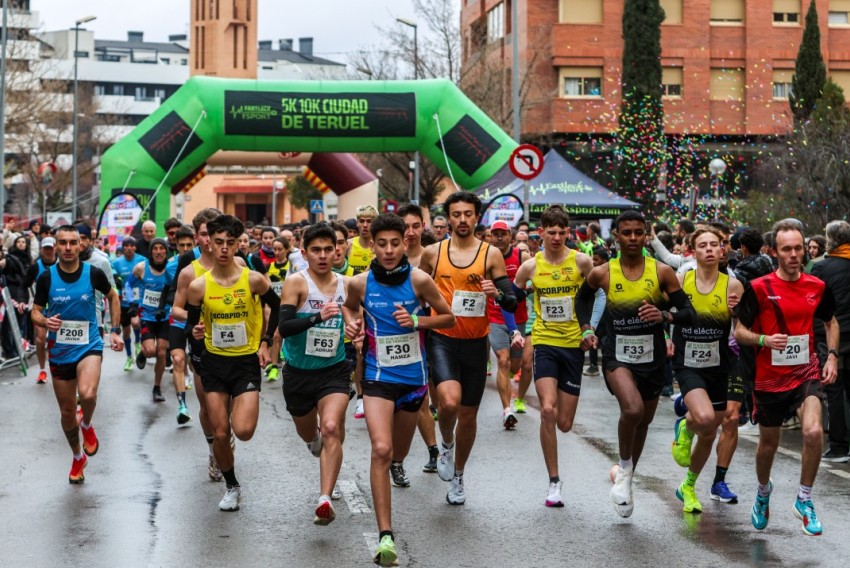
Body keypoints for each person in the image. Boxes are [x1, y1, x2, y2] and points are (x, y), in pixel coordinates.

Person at [342, 214, 455, 567]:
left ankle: (398, 463)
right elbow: (348, 308)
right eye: (382, 243)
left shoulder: (419, 280)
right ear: (371, 245)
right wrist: (353, 325)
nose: (389, 250)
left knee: (397, 453)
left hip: (413, 381)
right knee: (380, 447)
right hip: (376, 377)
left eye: (395, 243)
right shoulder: (360, 284)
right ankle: (385, 535)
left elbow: (448, 317)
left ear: (404, 244)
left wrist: (418, 321)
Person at [576, 210, 695, 518]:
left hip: (652, 358)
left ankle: (625, 475)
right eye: (626, 233)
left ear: (646, 236)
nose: (632, 238)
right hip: (616, 355)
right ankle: (626, 472)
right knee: (632, 410)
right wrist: (587, 328)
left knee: (643, 422)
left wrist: (665, 315)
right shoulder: (603, 272)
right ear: (616, 236)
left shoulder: (662, 272)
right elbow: (582, 299)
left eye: (638, 233)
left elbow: (688, 311)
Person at [734, 219, 838, 536]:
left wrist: (832, 356)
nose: (794, 254)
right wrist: (765, 340)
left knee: (813, 432)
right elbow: (738, 331)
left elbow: (830, 322)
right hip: (768, 379)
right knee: (768, 445)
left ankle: (804, 499)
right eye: (786, 249)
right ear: (775, 252)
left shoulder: (816, 286)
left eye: (798, 248)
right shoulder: (759, 288)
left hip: (805, 371)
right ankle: (764, 492)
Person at [419, 191, 517, 505]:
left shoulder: (490, 255)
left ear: (477, 217)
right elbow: (417, 293)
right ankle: (445, 442)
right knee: (448, 403)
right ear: (448, 218)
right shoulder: (433, 253)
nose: (462, 220)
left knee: (470, 415)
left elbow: (511, 299)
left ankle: (459, 476)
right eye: (456, 214)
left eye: (468, 214)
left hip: (476, 343)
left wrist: (496, 293)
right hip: (443, 339)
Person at [185, 215, 278, 511]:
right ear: (209, 243)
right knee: (221, 432)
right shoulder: (199, 286)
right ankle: (232, 485)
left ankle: (241, 404)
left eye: (230, 243)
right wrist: (196, 332)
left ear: (238, 244)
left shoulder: (252, 278)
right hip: (214, 363)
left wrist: (265, 342)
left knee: (244, 431)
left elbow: (276, 307)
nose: (224, 248)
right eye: (219, 242)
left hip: (245, 363)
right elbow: (191, 325)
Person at [514, 205, 593, 507]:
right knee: (547, 410)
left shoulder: (581, 262)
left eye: (562, 232)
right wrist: (512, 325)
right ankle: (554, 482)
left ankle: (555, 478)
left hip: (573, 346)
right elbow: (514, 297)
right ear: (542, 233)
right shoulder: (530, 266)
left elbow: (600, 293)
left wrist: (591, 328)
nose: (557, 237)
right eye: (551, 232)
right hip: (544, 342)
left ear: (568, 233)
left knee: (564, 423)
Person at [31, 225, 123, 483]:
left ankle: (88, 424)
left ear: (80, 245)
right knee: (67, 412)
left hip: (89, 344)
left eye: (73, 242)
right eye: (63, 243)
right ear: (56, 246)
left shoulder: (93, 273)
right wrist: (44, 321)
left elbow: (113, 296)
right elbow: (35, 311)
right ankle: (76, 456)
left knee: (88, 393)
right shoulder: (46, 278)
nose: (69, 248)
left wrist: (115, 330)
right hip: (59, 351)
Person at [278, 222, 351, 525]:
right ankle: (313, 441)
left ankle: (324, 498)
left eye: (328, 249)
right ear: (305, 253)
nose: (322, 255)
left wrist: (356, 326)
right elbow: (284, 327)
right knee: (312, 435)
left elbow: (359, 313)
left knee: (332, 427)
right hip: (298, 372)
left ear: (337, 251)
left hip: (333, 370)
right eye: (316, 250)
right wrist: (317, 317)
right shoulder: (297, 283)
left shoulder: (348, 284)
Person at [668, 228, 744, 513]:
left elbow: (741, 328)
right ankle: (685, 426)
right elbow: (667, 313)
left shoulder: (734, 286)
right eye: (703, 245)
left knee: (710, 432)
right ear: (693, 251)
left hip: (720, 362)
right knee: (703, 417)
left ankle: (688, 486)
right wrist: (666, 338)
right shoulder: (681, 280)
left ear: (722, 249)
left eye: (715, 244)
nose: (710, 249)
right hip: (687, 362)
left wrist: (739, 314)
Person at [398, 203, 440, 472]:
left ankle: (435, 449)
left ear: (423, 227)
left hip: (428, 335)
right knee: (401, 400)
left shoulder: (433, 257)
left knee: (423, 399)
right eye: (405, 227)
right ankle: (396, 459)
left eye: (416, 226)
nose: (410, 232)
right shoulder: (387, 257)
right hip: (394, 337)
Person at [811, 221, 850, 463]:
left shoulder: (821, 268)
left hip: (830, 334)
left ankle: (838, 445)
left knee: (833, 388)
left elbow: (813, 303)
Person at [487, 220, 530, 429]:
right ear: (490, 236)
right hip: (495, 317)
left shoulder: (521, 256)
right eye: (496, 234)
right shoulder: (485, 257)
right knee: (502, 361)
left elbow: (532, 280)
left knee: (515, 365)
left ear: (510, 236)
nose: (500, 238)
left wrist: (520, 293)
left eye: (503, 234)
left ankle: (515, 393)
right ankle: (507, 409)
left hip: (518, 316)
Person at [163, 226, 196, 424]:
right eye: (181, 245)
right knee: (177, 359)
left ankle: (191, 372)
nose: (185, 248)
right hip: (176, 318)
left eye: (188, 245)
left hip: (198, 321)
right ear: (176, 246)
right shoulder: (170, 266)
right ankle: (182, 406)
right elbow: (166, 290)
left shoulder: (203, 264)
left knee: (194, 363)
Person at [132, 239, 171, 402]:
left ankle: (157, 387)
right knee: (150, 351)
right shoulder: (141, 268)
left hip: (165, 316)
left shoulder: (171, 269)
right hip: (146, 316)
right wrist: (133, 309)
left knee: (161, 352)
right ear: (151, 252)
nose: (158, 251)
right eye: (155, 248)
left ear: (166, 251)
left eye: (162, 248)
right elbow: (129, 285)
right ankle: (143, 353)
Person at [25, 237, 57, 383]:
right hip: (41, 307)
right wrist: (24, 300)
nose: (48, 251)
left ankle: (58, 367)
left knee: (58, 340)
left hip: (59, 306)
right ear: (41, 250)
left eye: (51, 248)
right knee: (40, 339)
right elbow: (24, 284)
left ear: (55, 248)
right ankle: (42, 370)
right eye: (46, 249)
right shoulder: (35, 267)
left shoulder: (62, 263)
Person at [111, 238, 143, 371]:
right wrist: (116, 281)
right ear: (123, 248)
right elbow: (112, 278)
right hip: (123, 302)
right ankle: (129, 356)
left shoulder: (142, 260)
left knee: (136, 323)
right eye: (126, 246)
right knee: (126, 332)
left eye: (132, 245)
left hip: (138, 301)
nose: (129, 248)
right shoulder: (116, 262)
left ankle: (138, 342)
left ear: (135, 248)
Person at [348, 205, 378, 275]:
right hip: (351, 285)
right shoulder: (348, 244)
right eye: (361, 221)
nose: (365, 225)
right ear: (357, 223)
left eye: (369, 221)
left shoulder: (379, 246)